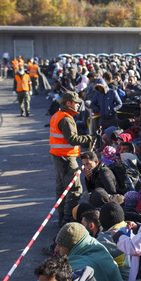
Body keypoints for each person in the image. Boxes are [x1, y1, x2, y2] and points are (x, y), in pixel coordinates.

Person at [50, 91, 94, 226]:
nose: (77, 106)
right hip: (66, 157)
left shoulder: (57, 115)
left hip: (59, 156)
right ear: (68, 103)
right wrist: (90, 138)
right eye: (75, 103)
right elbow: (72, 139)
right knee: (74, 189)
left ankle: (62, 216)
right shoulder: (66, 119)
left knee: (62, 188)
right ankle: (68, 218)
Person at [53, 222, 122, 281]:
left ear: (73, 247)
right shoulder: (98, 248)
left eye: (60, 246)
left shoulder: (77, 269)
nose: (56, 249)